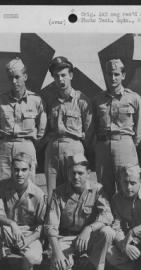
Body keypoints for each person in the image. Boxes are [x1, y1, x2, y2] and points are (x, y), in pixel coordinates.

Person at [44, 153, 114, 270]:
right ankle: (76, 268)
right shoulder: (58, 193)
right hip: (67, 238)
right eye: (73, 173)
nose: (76, 177)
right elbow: (51, 226)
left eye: (80, 173)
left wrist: (89, 228)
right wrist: (57, 252)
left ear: (88, 173)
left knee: (107, 232)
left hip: (90, 237)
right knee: (56, 264)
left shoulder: (97, 190)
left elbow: (107, 215)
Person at [0, 153, 47, 270]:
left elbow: (43, 225)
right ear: (11, 170)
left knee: (32, 258)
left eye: (24, 170)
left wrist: (30, 239)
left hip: (29, 234)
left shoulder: (38, 195)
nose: (20, 174)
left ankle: (28, 267)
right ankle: (0, 264)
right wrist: (12, 224)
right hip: (9, 230)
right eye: (16, 170)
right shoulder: (3, 187)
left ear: (30, 170)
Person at [91, 59, 141, 198]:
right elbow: (93, 126)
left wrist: (130, 145)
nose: (112, 78)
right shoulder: (97, 100)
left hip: (125, 145)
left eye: (116, 74)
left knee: (128, 186)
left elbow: (139, 127)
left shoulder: (134, 98)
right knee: (104, 188)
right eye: (109, 74)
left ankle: (127, 219)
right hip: (104, 146)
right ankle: (107, 218)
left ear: (123, 75)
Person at [44, 56, 93, 199]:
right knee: (52, 194)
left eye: (64, 75)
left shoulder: (82, 100)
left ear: (71, 75)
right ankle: (53, 221)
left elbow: (89, 130)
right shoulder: (49, 100)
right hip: (53, 150)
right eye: (57, 76)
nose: (60, 80)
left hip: (74, 148)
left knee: (75, 191)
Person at [0, 58, 47, 183]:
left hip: (26, 146)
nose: (14, 81)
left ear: (25, 77)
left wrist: (30, 143)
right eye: (10, 78)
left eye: (17, 77)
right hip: (4, 148)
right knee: (3, 187)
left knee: (27, 188)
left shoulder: (36, 101)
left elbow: (41, 129)